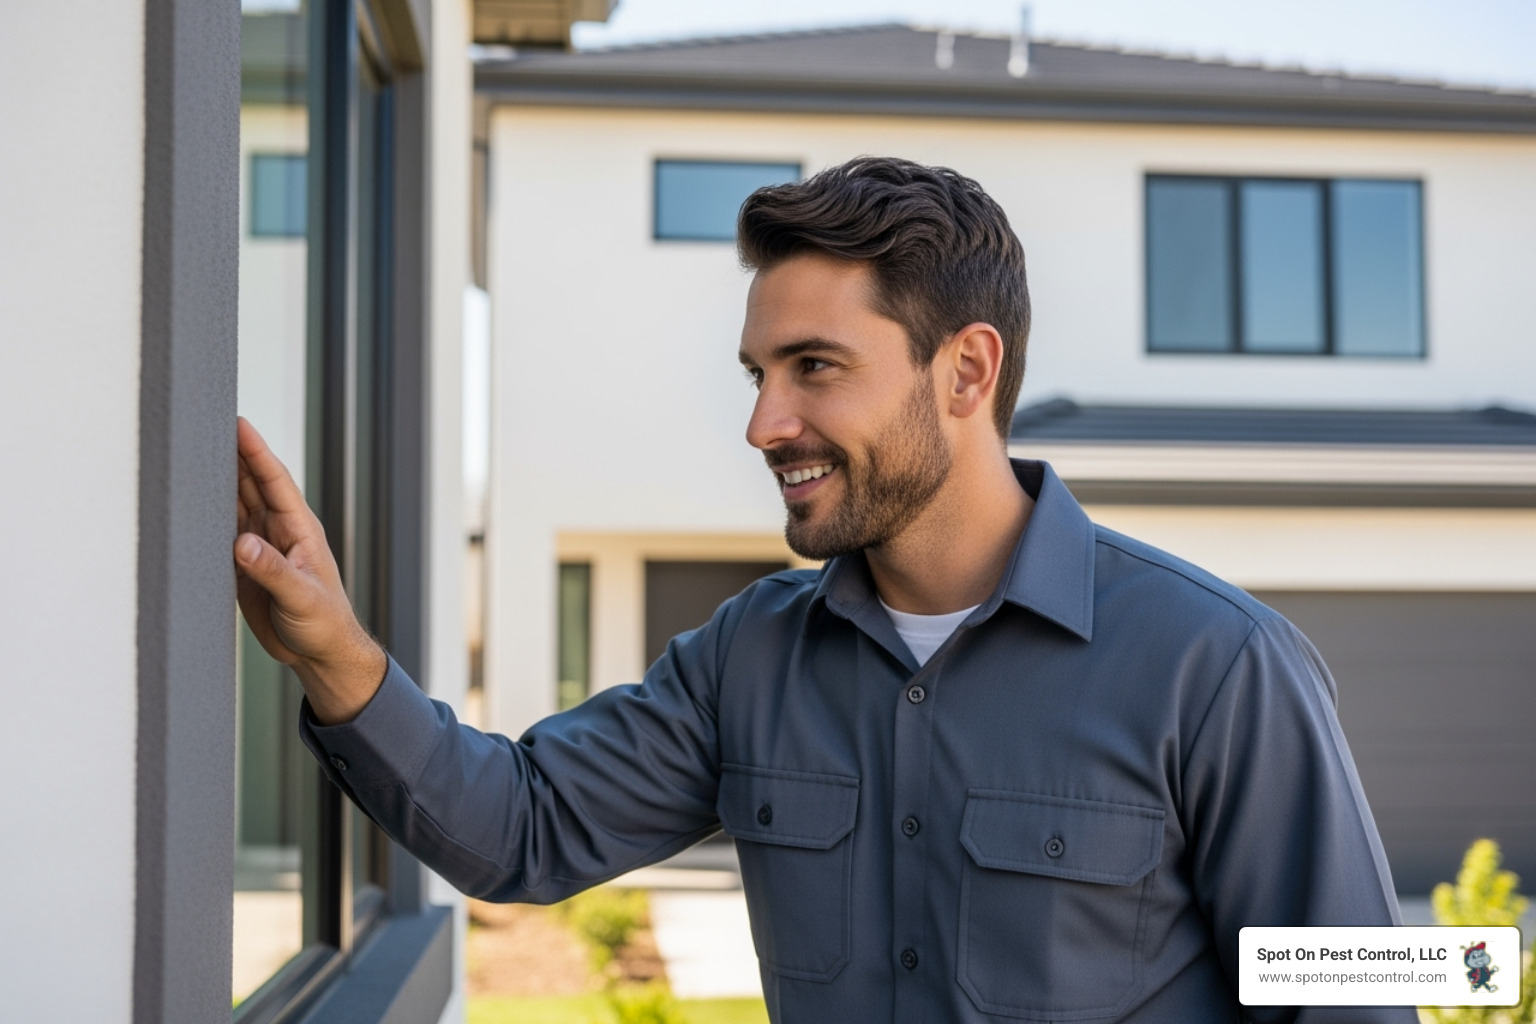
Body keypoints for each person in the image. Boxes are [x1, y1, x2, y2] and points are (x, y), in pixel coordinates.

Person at [234, 157, 1414, 1023]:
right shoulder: (749, 658)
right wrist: (335, 653)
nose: (763, 423)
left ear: (967, 368)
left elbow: (1352, 984)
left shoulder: (1217, 665)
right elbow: (522, 829)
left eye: (815, 369)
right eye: (758, 373)